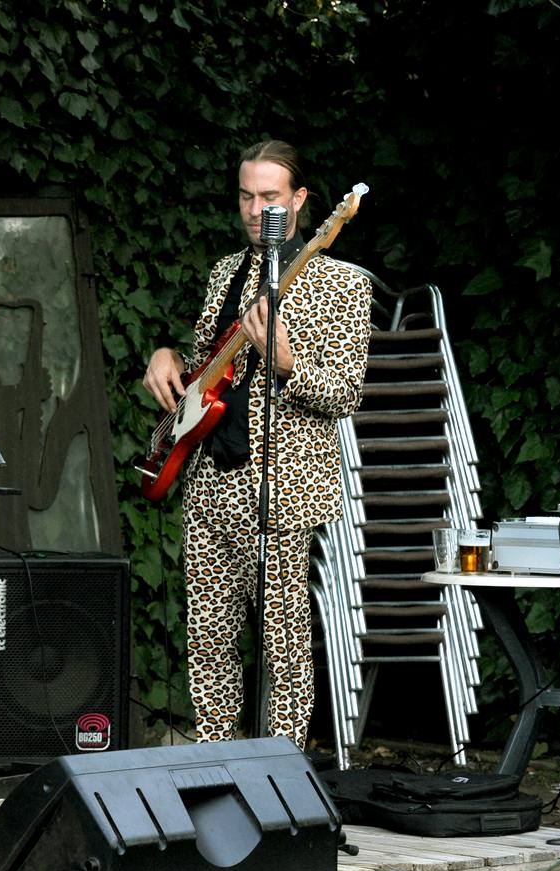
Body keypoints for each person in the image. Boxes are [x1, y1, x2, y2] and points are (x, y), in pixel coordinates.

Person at [142, 139, 372, 748]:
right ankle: (213, 765)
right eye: (246, 195)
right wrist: (166, 357)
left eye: (270, 195)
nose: (255, 208)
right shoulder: (225, 272)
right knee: (208, 640)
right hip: (211, 476)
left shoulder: (341, 283)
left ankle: (283, 777)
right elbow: (202, 369)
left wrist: (288, 365)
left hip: (283, 487)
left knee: (284, 643)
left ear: (299, 200)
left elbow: (345, 393)